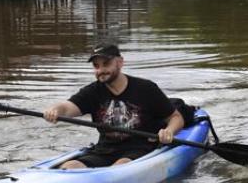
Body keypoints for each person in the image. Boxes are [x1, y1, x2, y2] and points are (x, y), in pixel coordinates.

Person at [43, 44, 185, 169]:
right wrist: (55, 110)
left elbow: (175, 117)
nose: (100, 70)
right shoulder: (92, 91)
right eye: (96, 66)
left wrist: (169, 131)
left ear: (120, 62)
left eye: (106, 64)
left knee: (120, 165)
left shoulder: (146, 88)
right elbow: (67, 107)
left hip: (139, 149)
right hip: (104, 150)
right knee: (69, 167)